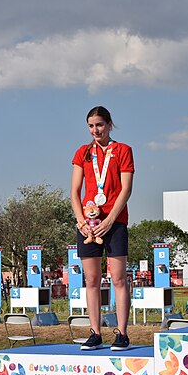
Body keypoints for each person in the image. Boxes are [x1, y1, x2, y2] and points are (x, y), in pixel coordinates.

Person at [71, 106, 134, 351]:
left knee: (118, 278)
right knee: (92, 279)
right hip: (88, 224)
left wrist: (109, 221)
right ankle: (95, 333)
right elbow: (75, 192)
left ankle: (122, 334)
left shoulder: (123, 150)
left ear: (109, 124)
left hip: (114, 222)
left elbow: (126, 189)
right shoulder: (82, 152)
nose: (95, 130)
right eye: (90, 126)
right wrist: (81, 221)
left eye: (99, 125)